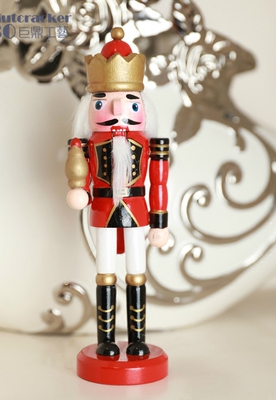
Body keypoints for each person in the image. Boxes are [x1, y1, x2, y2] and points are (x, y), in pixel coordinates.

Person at [65, 27, 169, 357]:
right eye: (103, 102)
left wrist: (160, 222)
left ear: (142, 105)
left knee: (137, 273)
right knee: (105, 274)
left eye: (129, 101)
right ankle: (106, 339)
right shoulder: (85, 144)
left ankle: (137, 338)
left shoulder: (151, 145)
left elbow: (159, 183)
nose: (117, 109)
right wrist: (79, 189)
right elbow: (79, 175)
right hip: (102, 210)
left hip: (137, 211)